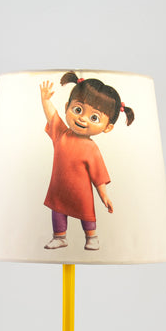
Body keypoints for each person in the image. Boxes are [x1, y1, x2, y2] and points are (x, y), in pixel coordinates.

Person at [40, 71, 134, 251]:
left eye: (94, 117)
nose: (82, 118)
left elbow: (99, 176)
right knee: (57, 209)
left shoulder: (91, 148)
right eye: (78, 110)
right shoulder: (61, 134)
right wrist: (45, 100)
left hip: (81, 191)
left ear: (108, 127)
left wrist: (104, 196)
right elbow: (52, 116)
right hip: (59, 189)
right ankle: (59, 237)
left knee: (87, 213)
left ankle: (92, 237)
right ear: (67, 107)